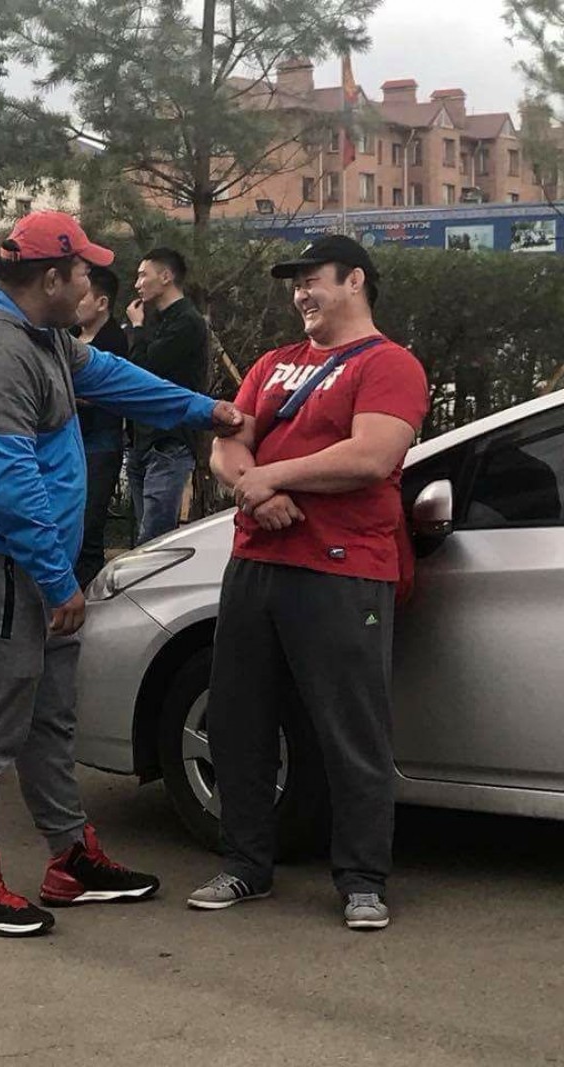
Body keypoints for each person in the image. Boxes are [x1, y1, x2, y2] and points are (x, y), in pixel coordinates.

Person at [0, 210, 243, 938]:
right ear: (51, 278)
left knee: (49, 718)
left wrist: (203, 410)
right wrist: (60, 581)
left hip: (27, 561)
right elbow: (7, 485)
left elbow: (113, 377)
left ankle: (70, 858)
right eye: (84, 271)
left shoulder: (43, 335)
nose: (93, 284)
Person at [187, 234, 429, 930]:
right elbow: (227, 443)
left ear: (355, 281)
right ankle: (245, 865)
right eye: (295, 283)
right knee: (238, 721)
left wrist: (271, 475)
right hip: (256, 562)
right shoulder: (273, 364)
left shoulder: (390, 364)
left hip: (343, 570)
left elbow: (371, 455)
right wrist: (255, 490)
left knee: (351, 730)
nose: (300, 294)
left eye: (312, 279)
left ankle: (362, 880)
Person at [125, 247, 208, 543]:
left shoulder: (187, 321)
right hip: (143, 438)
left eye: (142, 275)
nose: (137, 284)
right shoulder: (156, 319)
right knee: (143, 539)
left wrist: (136, 327)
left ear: (166, 276)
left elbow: (143, 370)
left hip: (169, 440)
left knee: (154, 538)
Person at [73, 266, 127, 588]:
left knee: (89, 524)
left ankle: (87, 592)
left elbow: (109, 392)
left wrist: (68, 394)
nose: (76, 302)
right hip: (71, 441)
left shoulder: (114, 341)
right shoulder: (68, 336)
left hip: (100, 443)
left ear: (102, 302)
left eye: (83, 296)